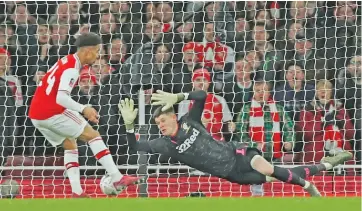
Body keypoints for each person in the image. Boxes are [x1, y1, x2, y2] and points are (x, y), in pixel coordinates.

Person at [119, 90, 353, 197]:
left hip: (238, 152)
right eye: (157, 122)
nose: (160, 125)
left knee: (268, 168)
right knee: (279, 174)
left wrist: (178, 97)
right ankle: (326, 165)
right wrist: (129, 126)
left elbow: (201, 95)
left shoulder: (189, 120)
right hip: (232, 174)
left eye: (162, 119)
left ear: (173, 116)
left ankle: (308, 187)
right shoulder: (164, 144)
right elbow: (135, 148)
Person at [28, 32, 143, 198]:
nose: (98, 56)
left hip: (36, 116)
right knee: (93, 135)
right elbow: (61, 97)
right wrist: (84, 108)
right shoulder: (72, 69)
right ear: (88, 50)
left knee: (70, 145)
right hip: (51, 112)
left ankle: (77, 192)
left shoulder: (66, 60)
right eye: (97, 51)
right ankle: (117, 177)